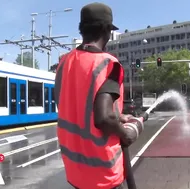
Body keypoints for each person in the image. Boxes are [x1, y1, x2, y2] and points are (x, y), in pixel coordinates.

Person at [54, 3, 142, 189]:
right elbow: (103, 118)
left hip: (75, 170)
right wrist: (124, 133)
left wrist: (117, 116)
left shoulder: (63, 64)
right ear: (107, 31)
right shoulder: (109, 65)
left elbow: (74, 106)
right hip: (103, 174)